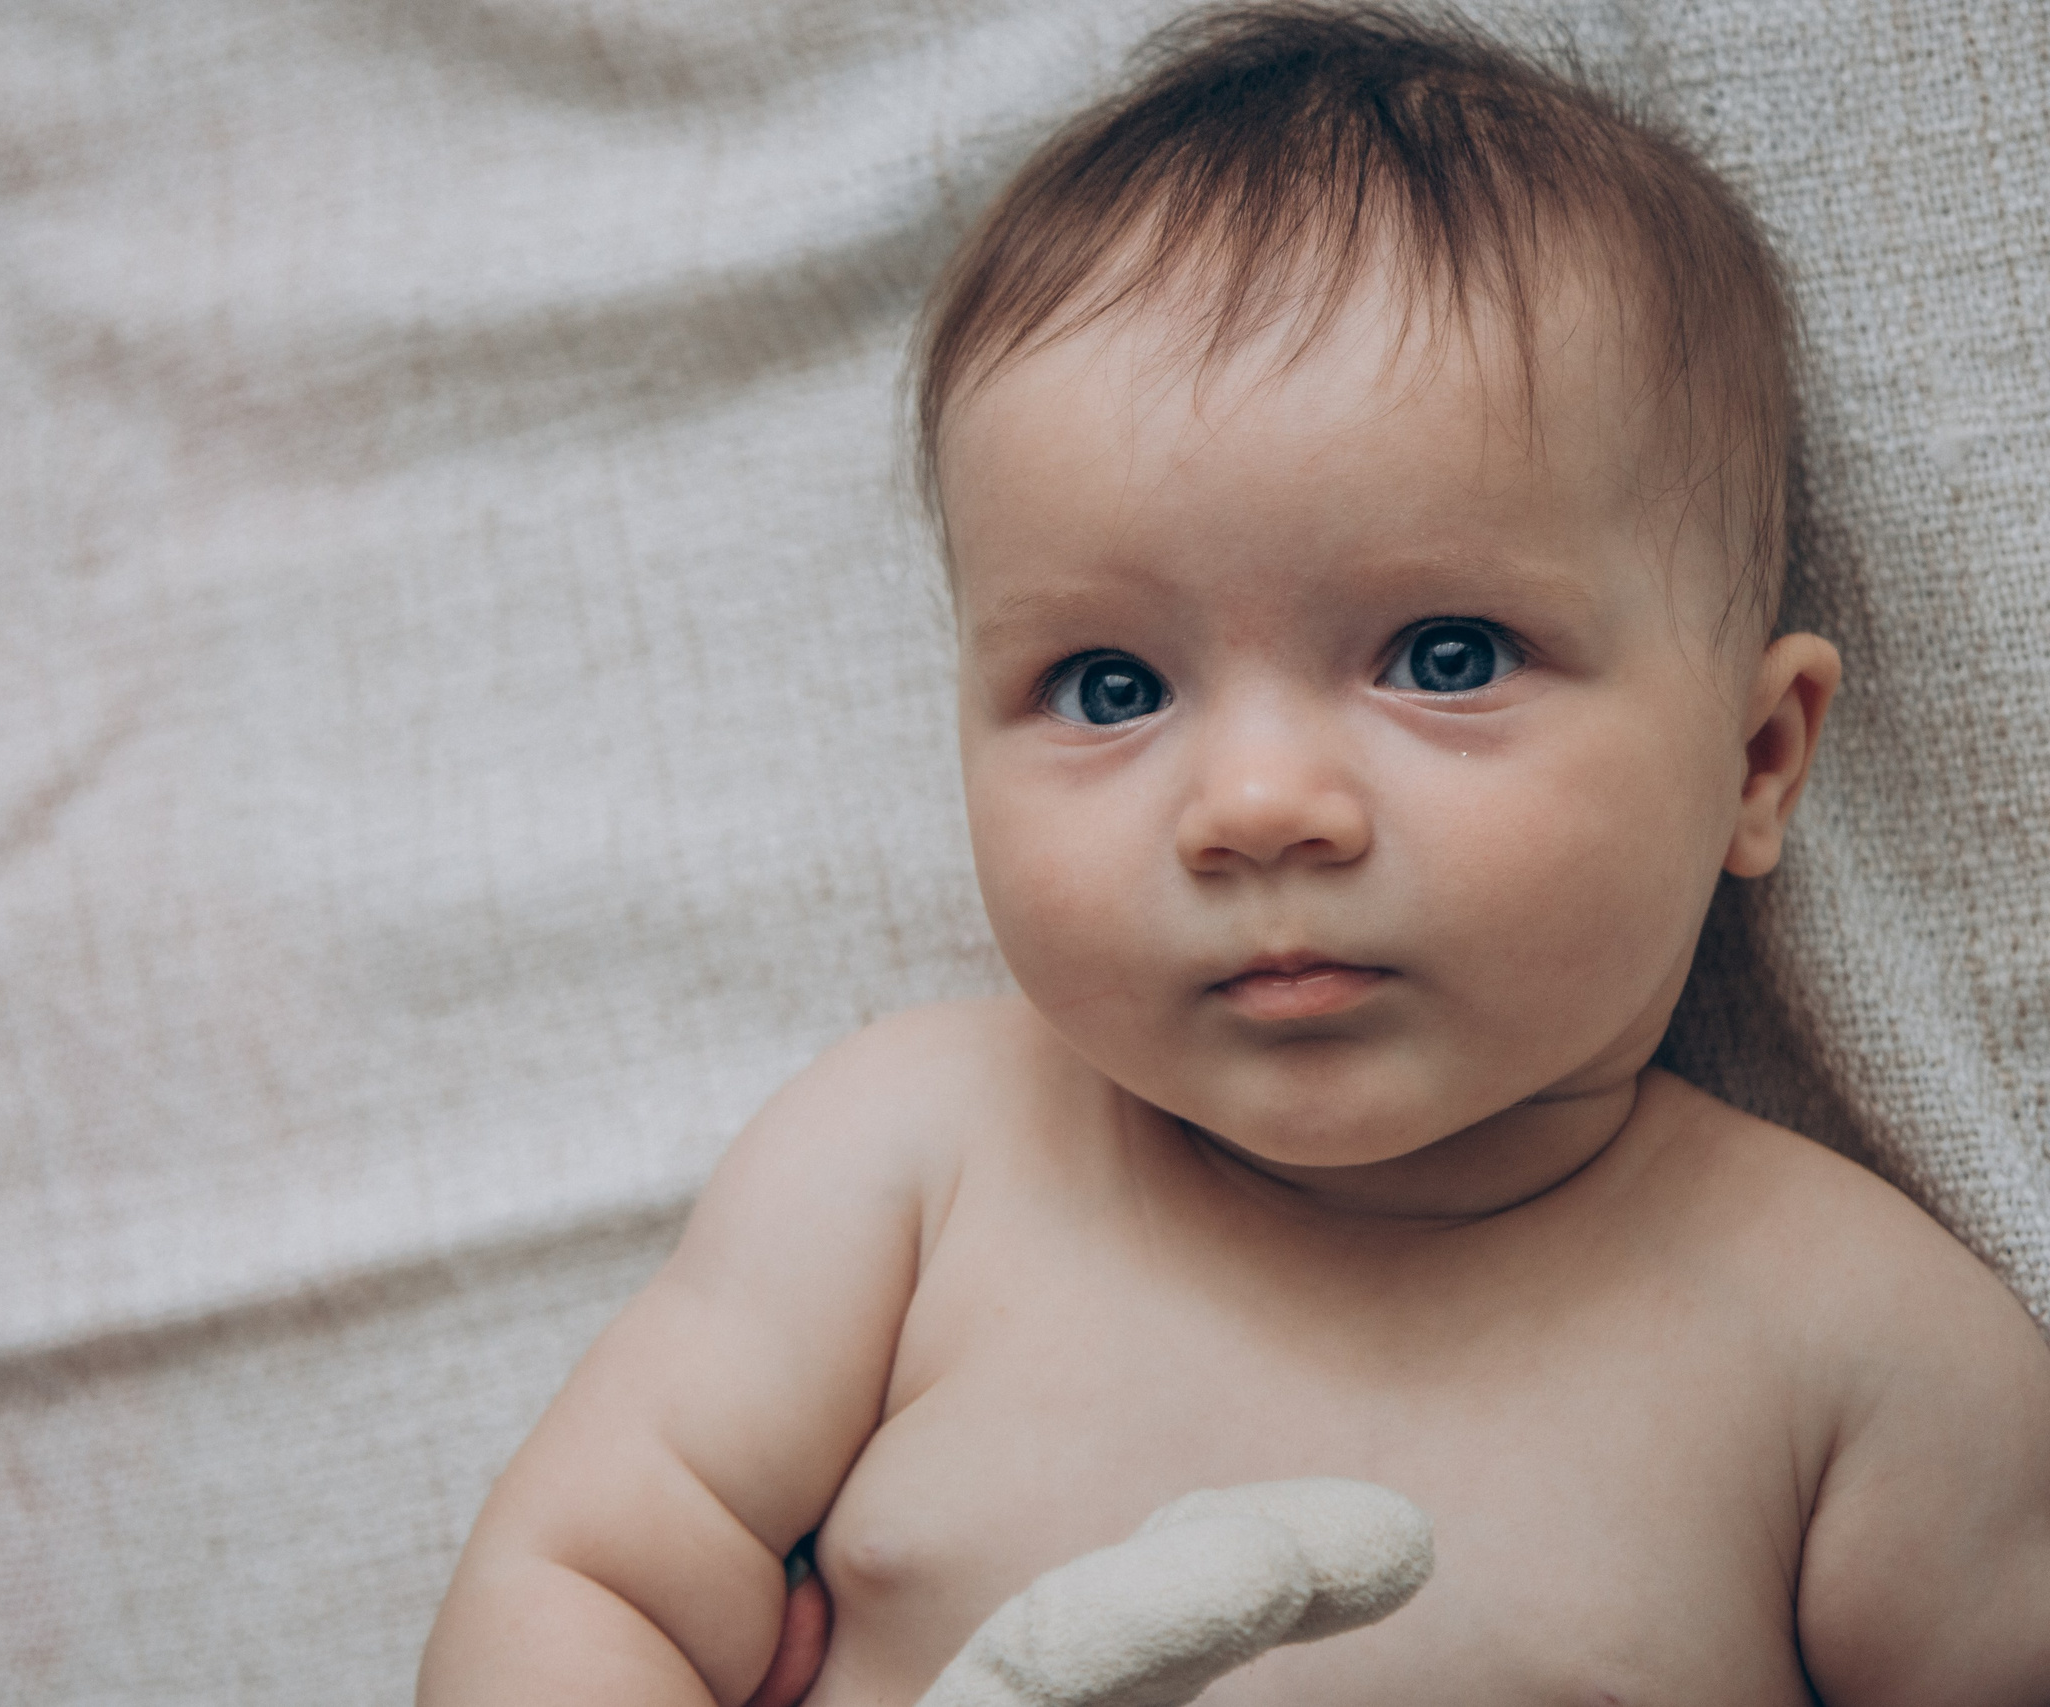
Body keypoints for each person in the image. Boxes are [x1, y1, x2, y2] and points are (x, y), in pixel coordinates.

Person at [415, 6, 2050, 1702]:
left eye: (1447, 657)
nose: (1258, 804)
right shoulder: (910, 1166)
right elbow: (582, 1579)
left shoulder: (1867, 1361)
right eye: (1110, 688)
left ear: (1758, 760)